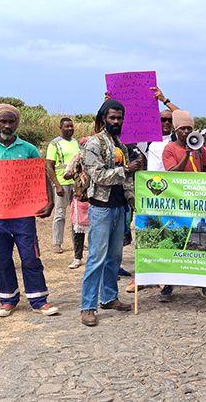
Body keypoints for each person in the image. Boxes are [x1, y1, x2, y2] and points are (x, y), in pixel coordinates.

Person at [0, 104, 59, 317]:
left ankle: (39, 299)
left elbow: (41, 176)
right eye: (2, 121)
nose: (7, 125)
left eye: (11, 121)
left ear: (17, 123)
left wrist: (50, 201)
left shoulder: (28, 149)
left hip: (23, 214)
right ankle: (8, 299)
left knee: (30, 256)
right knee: (0, 258)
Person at [79, 99, 141, 327]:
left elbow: (126, 182)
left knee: (114, 257)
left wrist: (134, 203)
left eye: (119, 118)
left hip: (119, 207)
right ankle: (88, 306)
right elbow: (98, 175)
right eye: (112, 117)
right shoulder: (94, 144)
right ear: (103, 118)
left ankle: (108, 297)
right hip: (101, 208)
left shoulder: (120, 145)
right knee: (96, 257)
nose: (116, 121)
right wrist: (126, 169)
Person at [159, 110, 206, 303]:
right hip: (178, 204)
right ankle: (168, 285)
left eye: (189, 128)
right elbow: (172, 173)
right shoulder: (169, 149)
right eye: (183, 129)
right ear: (176, 130)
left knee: (200, 244)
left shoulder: (199, 148)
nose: (186, 132)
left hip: (197, 203)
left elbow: (203, 172)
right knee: (177, 242)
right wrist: (186, 155)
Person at [45, 117, 83, 264]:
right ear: (60, 128)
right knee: (60, 214)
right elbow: (49, 166)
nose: (69, 128)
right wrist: (57, 185)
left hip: (77, 183)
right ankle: (57, 243)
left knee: (77, 215)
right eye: (66, 126)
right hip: (62, 183)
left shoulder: (76, 143)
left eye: (71, 126)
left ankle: (77, 244)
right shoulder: (54, 144)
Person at [63, 137, 90, 270]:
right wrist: (74, 173)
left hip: (94, 200)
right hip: (80, 198)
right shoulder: (76, 159)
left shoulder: (97, 158)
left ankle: (93, 258)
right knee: (77, 230)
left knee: (95, 231)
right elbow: (66, 174)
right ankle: (77, 257)